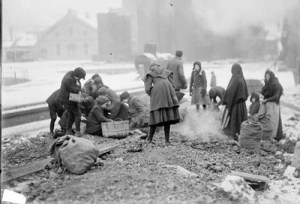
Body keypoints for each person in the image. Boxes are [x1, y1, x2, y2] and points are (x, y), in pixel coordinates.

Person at [144, 62, 180, 146]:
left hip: (157, 93)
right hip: (169, 92)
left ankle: (149, 139)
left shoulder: (150, 73)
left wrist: (152, 94)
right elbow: (173, 84)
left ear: (151, 67)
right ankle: (167, 141)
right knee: (168, 117)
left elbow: (147, 88)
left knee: (154, 115)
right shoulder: (166, 72)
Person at [222, 63, 248, 141]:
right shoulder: (242, 78)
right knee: (241, 119)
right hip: (242, 105)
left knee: (234, 119)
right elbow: (246, 93)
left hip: (236, 104)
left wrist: (227, 103)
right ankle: (241, 134)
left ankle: (233, 134)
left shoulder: (235, 79)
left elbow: (230, 92)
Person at [59, 67, 86, 137]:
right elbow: (75, 90)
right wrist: (80, 90)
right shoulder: (69, 79)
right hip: (67, 98)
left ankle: (68, 132)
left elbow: (77, 86)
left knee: (71, 115)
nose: (80, 79)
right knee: (78, 114)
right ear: (78, 75)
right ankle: (77, 132)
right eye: (80, 77)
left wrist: (79, 87)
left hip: (68, 97)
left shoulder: (72, 75)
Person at [260, 69, 283, 141]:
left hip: (274, 105)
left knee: (273, 121)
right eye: (266, 76)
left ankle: (274, 136)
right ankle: (269, 136)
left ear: (271, 76)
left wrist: (267, 100)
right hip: (267, 105)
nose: (267, 78)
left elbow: (276, 96)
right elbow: (263, 92)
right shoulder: (268, 84)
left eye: (268, 76)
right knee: (268, 120)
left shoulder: (276, 84)